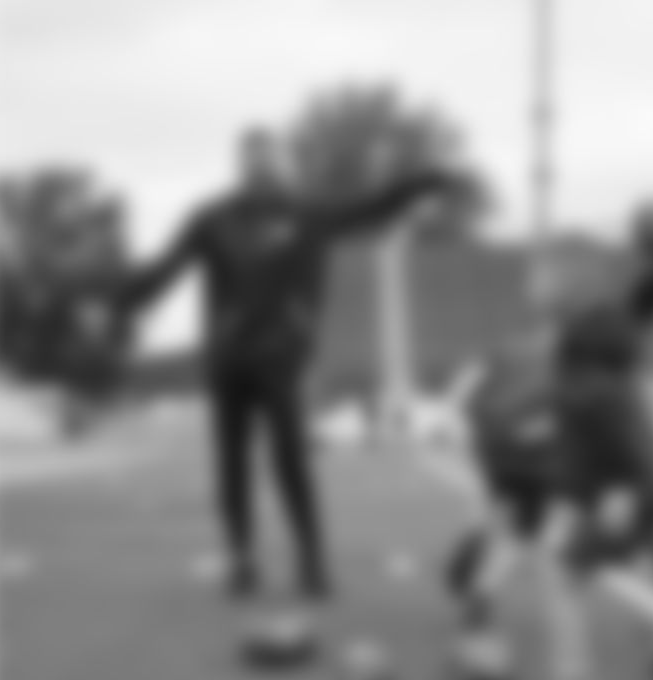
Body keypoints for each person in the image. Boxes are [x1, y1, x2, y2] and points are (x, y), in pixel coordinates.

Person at [114, 126, 461, 648]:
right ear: (240, 165)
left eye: (266, 156)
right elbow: (165, 271)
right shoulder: (212, 220)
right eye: (249, 158)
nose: (258, 166)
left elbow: (370, 210)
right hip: (229, 358)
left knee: (289, 457)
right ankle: (242, 560)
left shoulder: (305, 213)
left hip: (280, 355)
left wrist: (422, 181)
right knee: (231, 462)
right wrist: (114, 300)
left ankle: (312, 560)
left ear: (277, 162)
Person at [438, 201, 653, 680]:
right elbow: (645, 304)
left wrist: (622, 488)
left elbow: (642, 312)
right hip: (618, 483)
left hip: (628, 485)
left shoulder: (593, 334)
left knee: (573, 563)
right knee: (568, 562)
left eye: (541, 275)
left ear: (567, 286)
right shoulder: (582, 335)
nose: (531, 285)